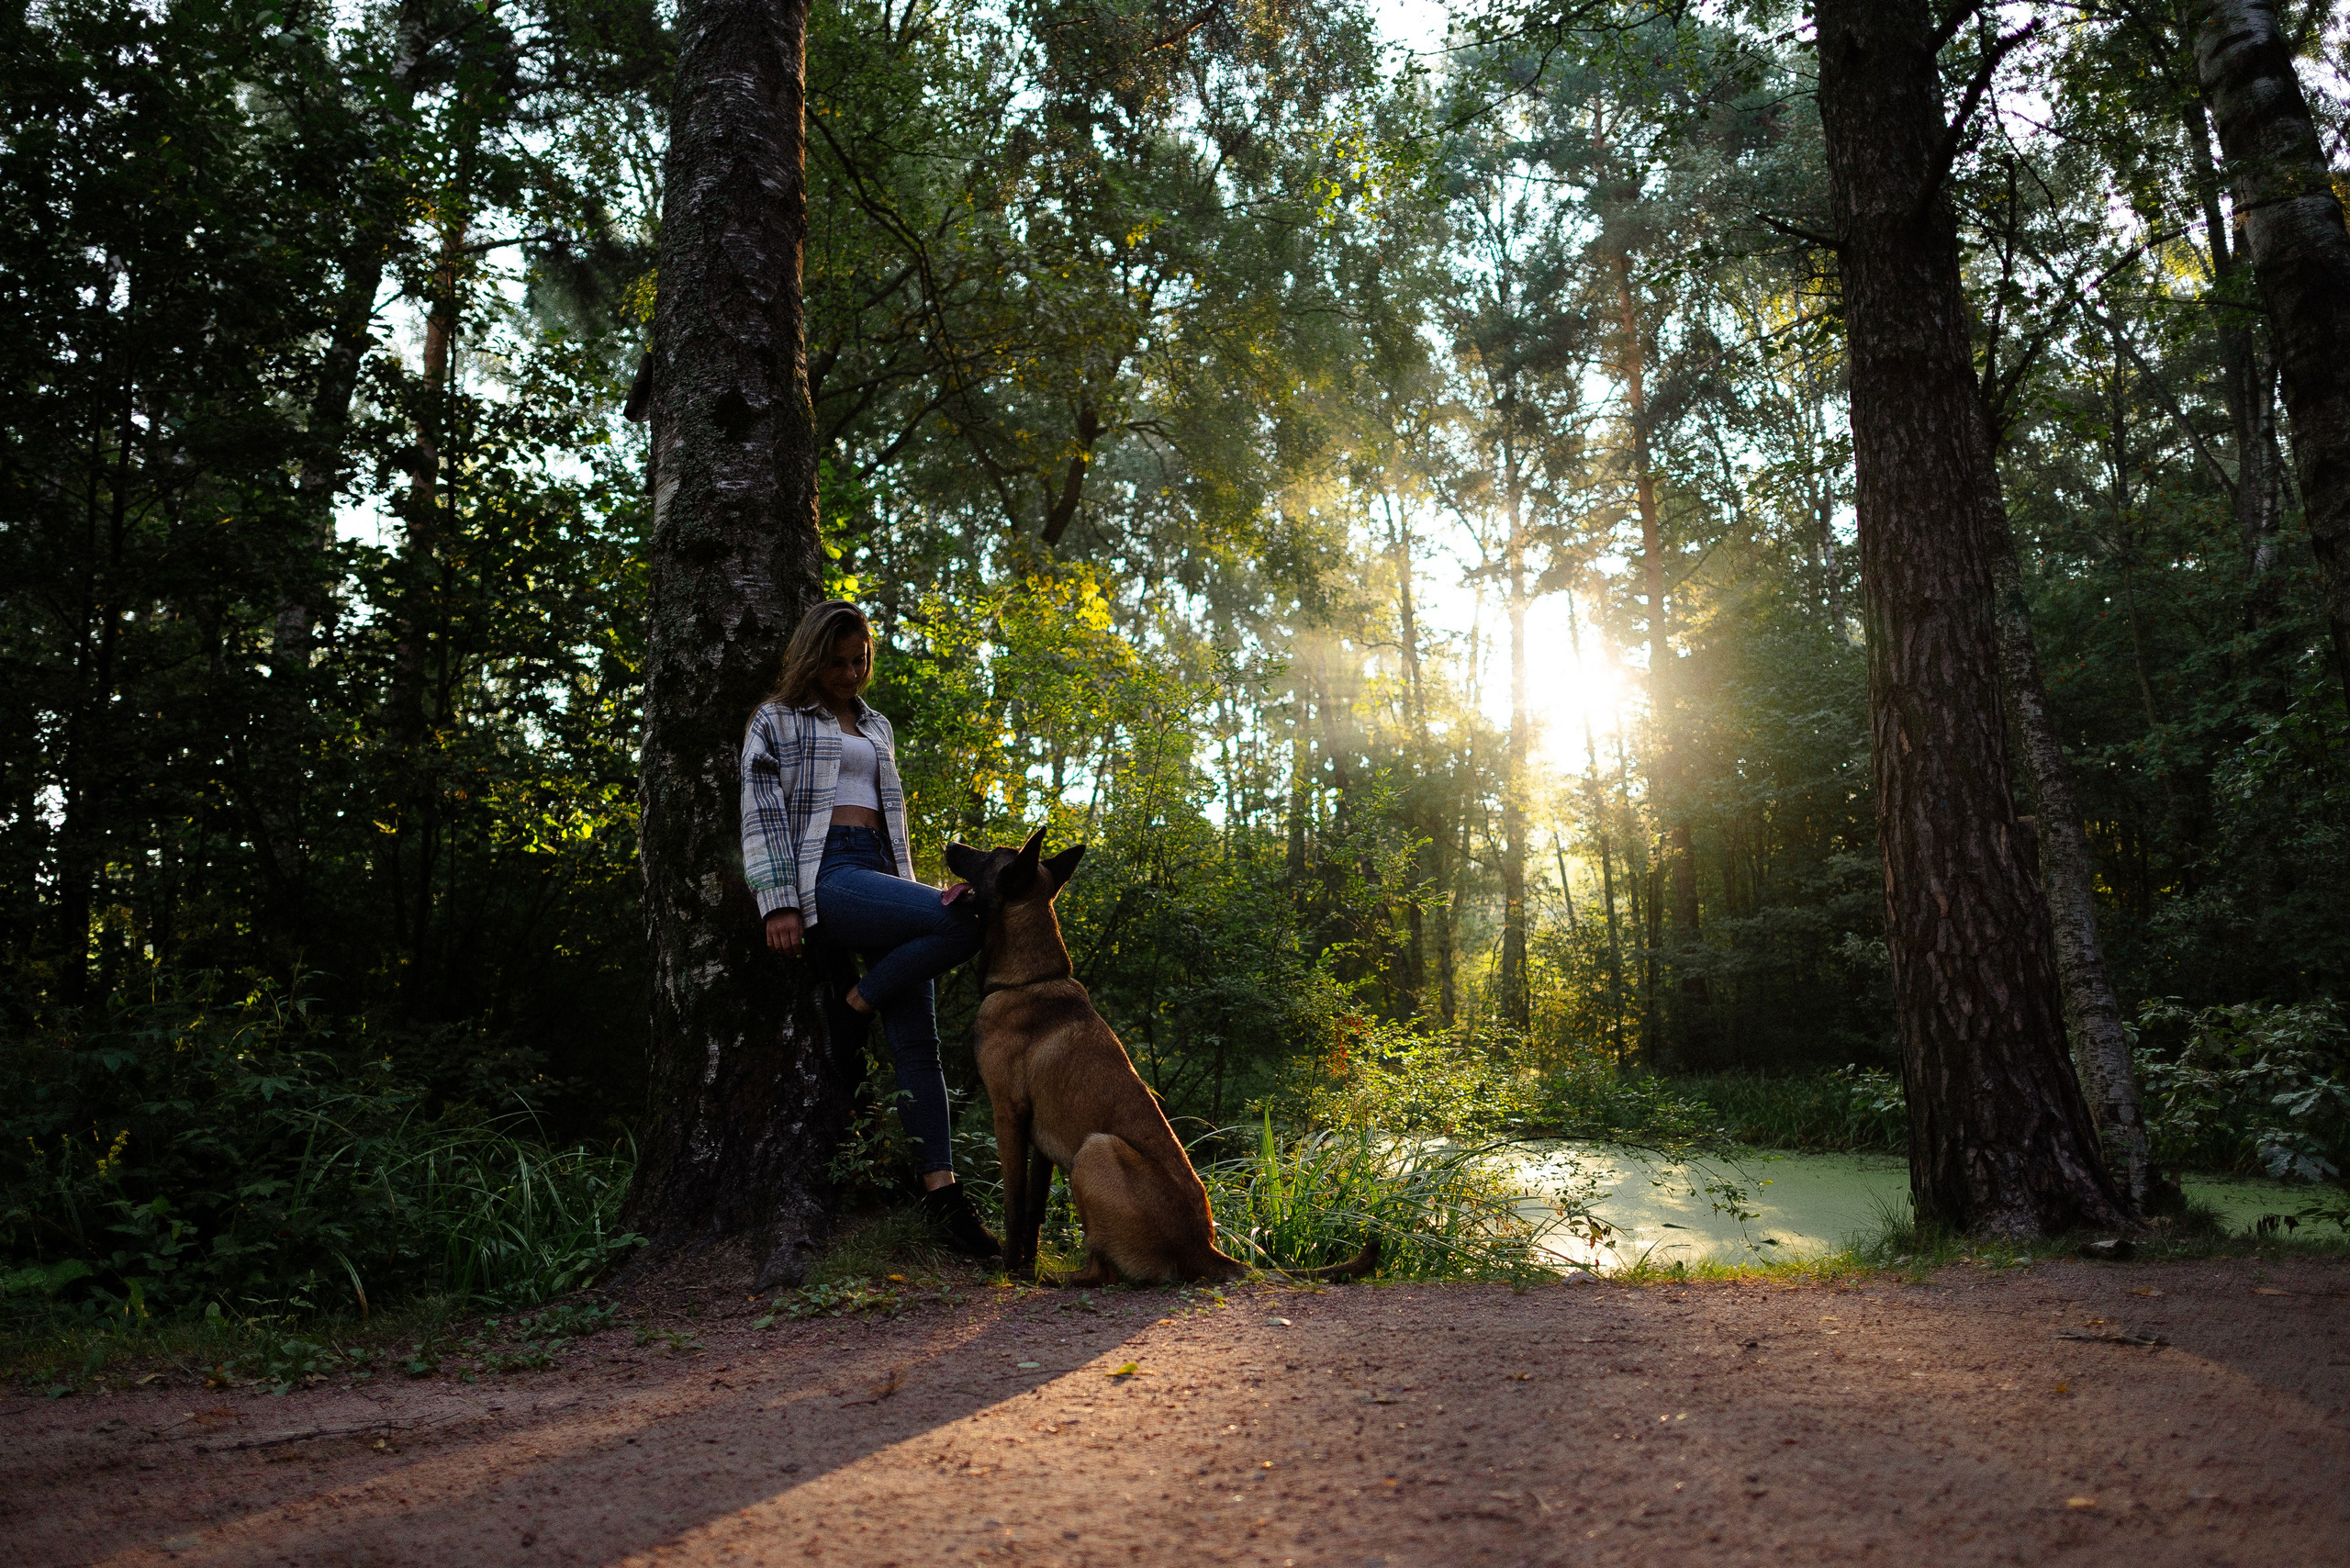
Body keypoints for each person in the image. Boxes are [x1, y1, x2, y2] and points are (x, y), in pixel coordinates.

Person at [739, 599, 1000, 1258]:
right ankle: (854, 1007)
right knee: (967, 923)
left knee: (920, 1046)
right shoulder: (777, 720)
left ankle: (943, 1199)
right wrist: (779, 903)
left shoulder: (876, 725)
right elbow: (762, 811)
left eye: (860, 661)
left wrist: (912, 891)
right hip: (826, 874)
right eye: (838, 662)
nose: (852, 674)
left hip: (882, 875)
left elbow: (890, 818)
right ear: (811, 656)